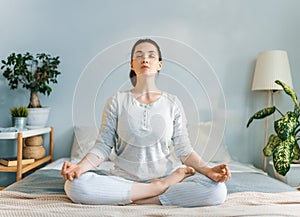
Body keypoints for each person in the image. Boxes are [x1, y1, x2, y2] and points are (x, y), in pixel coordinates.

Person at [61, 38, 231, 207]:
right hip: (125, 180)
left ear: (159, 64)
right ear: (131, 64)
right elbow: (103, 146)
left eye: (151, 55)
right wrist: (79, 168)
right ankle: (156, 189)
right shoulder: (117, 101)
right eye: (139, 56)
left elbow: (184, 150)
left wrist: (208, 170)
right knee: (75, 186)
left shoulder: (173, 103)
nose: (145, 59)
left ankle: (136, 196)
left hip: (166, 175)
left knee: (217, 191)